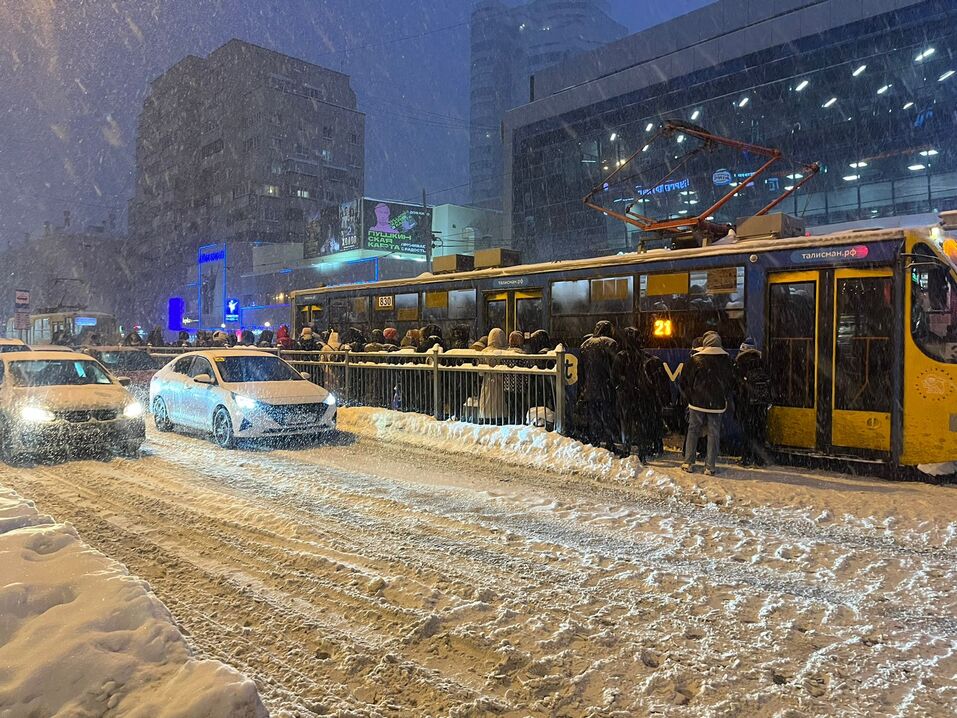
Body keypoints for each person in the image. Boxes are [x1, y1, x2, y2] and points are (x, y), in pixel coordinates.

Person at [679, 331, 735, 475]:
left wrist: (691, 395)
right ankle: (710, 466)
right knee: (713, 433)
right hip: (717, 404)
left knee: (693, 430)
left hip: (697, 402)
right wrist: (723, 396)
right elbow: (730, 382)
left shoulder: (696, 358)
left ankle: (688, 462)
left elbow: (685, 380)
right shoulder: (727, 359)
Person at [614, 327, 655, 461]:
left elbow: (615, 376)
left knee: (626, 422)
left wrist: (621, 385)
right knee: (640, 423)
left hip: (625, 394)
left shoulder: (621, 356)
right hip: (641, 394)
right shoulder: (643, 356)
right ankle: (642, 452)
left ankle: (626, 449)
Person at [576, 321, 619, 451]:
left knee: (594, 417)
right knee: (608, 416)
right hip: (606, 388)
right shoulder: (611, 343)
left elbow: (581, 371)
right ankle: (609, 444)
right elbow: (615, 368)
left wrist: (582, 389)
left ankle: (595, 442)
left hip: (590, 388)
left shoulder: (585, 344)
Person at [734, 337, 771, 466]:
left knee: (748, 432)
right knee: (759, 431)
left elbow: (736, 386)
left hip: (747, 403)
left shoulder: (740, 363)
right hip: (761, 403)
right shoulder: (762, 362)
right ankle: (759, 459)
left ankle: (747, 458)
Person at [478, 328, 507, 423]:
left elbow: (480, 373)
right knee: (499, 402)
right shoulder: (503, 353)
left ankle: (485, 417)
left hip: (486, 383)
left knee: (486, 401)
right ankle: (499, 417)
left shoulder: (484, 352)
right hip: (499, 383)